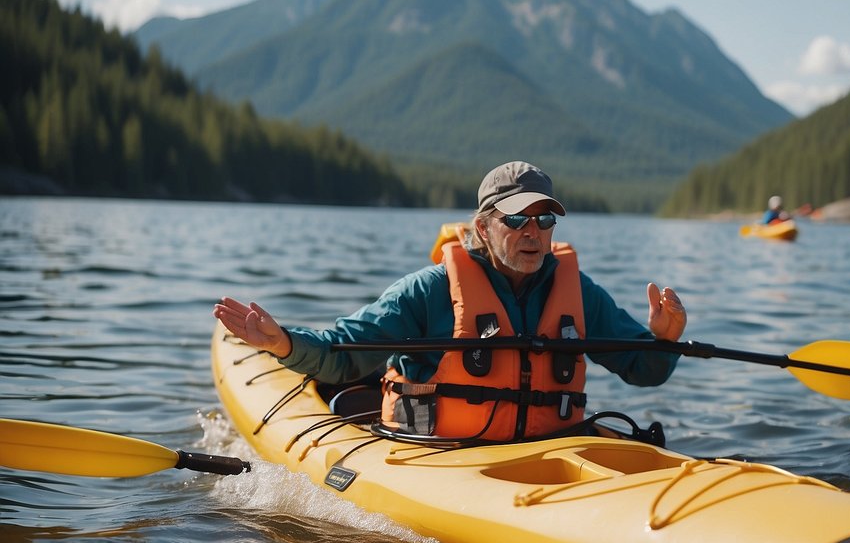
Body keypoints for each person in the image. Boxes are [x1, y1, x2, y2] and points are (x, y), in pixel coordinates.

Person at [214, 161, 687, 442]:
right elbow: (344, 353)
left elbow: (645, 370)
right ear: (483, 227)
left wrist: (663, 342)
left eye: (545, 221)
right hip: (446, 456)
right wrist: (282, 344)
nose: (533, 233)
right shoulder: (429, 290)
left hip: (546, 453)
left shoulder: (578, 292)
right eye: (519, 218)